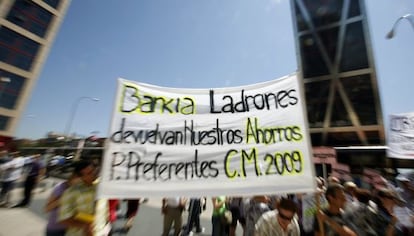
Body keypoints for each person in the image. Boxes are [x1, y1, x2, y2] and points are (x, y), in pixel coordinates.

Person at [58, 160, 109, 236]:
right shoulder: (71, 192)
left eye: (93, 170)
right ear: (81, 177)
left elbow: (104, 213)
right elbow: (64, 219)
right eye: (89, 173)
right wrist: (85, 227)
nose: (93, 174)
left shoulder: (101, 188)